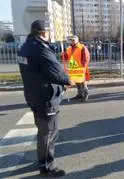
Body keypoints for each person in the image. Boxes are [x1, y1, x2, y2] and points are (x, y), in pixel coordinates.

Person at [18, 20, 72, 177]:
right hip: (45, 97)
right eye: (48, 32)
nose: (49, 35)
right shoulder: (40, 49)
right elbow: (55, 71)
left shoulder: (25, 47)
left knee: (43, 131)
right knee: (49, 133)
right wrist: (67, 80)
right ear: (42, 33)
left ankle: (41, 159)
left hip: (33, 95)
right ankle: (46, 166)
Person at [62, 35, 90, 102]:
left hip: (80, 68)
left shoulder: (82, 47)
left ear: (77, 40)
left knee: (82, 83)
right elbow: (66, 57)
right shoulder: (69, 48)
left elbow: (86, 56)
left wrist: (84, 65)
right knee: (77, 82)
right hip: (73, 69)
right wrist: (63, 54)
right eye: (71, 40)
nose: (72, 41)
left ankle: (85, 96)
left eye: (73, 40)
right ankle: (79, 94)